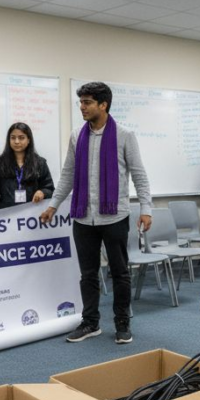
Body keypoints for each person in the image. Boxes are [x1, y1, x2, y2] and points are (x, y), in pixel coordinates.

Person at [41, 81, 151, 345]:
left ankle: (122, 322)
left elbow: (139, 175)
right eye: (81, 102)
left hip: (114, 217)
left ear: (103, 105)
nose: (82, 107)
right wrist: (53, 204)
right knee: (88, 274)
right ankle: (90, 322)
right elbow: (68, 174)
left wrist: (146, 208)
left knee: (120, 272)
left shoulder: (125, 135)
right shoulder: (76, 135)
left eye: (87, 102)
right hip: (82, 217)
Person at [0, 122, 54, 210]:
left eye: (21, 138)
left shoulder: (40, 163)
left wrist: (43, 192)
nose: (16, 141)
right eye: (13, 138)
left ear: (29, 140)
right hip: (6, 217)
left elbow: (50, 189)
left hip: (32, 216)